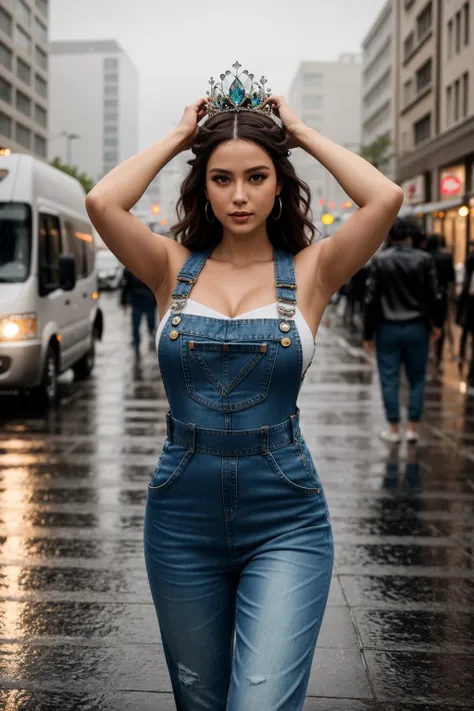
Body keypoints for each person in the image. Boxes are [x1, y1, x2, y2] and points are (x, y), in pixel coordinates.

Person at [85, 61, 404, 710]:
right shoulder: (168, 266)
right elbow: (101, 202)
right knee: (200, 701)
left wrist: (300, 131)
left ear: (280, 186)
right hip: (179, 516)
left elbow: (385, 198)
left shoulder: (313, 272)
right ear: (202, 188)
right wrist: (182, 136)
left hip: (285, 513)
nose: (239, 195)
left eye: (257, 177)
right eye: (221, 178)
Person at [363, 218, 443, 444]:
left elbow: (371, 300)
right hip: (417, 327)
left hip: (387, 328)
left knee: (389, 378)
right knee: (417, 378)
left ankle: (394, 428)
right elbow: (434, 295)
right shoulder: (424, 260)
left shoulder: (380, 261)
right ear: (411, 236)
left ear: (390, 236)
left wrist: (368, 334)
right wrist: (437, 324)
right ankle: (413, 428)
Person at [425, 233, 455, 376]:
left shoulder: (424, 257)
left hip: (426, 297)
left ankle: (428, 350)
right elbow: (451, 280)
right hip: (441, 296)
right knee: (440, 324)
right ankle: (438, 354)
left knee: (427, 323)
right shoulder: (446, 257)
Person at [120, 267, 157, 357]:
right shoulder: (130, 268)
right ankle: (137, 344)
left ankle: (150, 339)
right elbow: (126, 285)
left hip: (148, 302)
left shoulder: (152, 268)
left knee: (149, 324)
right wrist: (124, 301)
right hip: (139, 302)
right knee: (136, 325)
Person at [457, 240, 474, 376]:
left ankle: (462, 354)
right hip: (469, 301)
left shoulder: (470, 259)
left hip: (469, 301)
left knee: (466, 331)